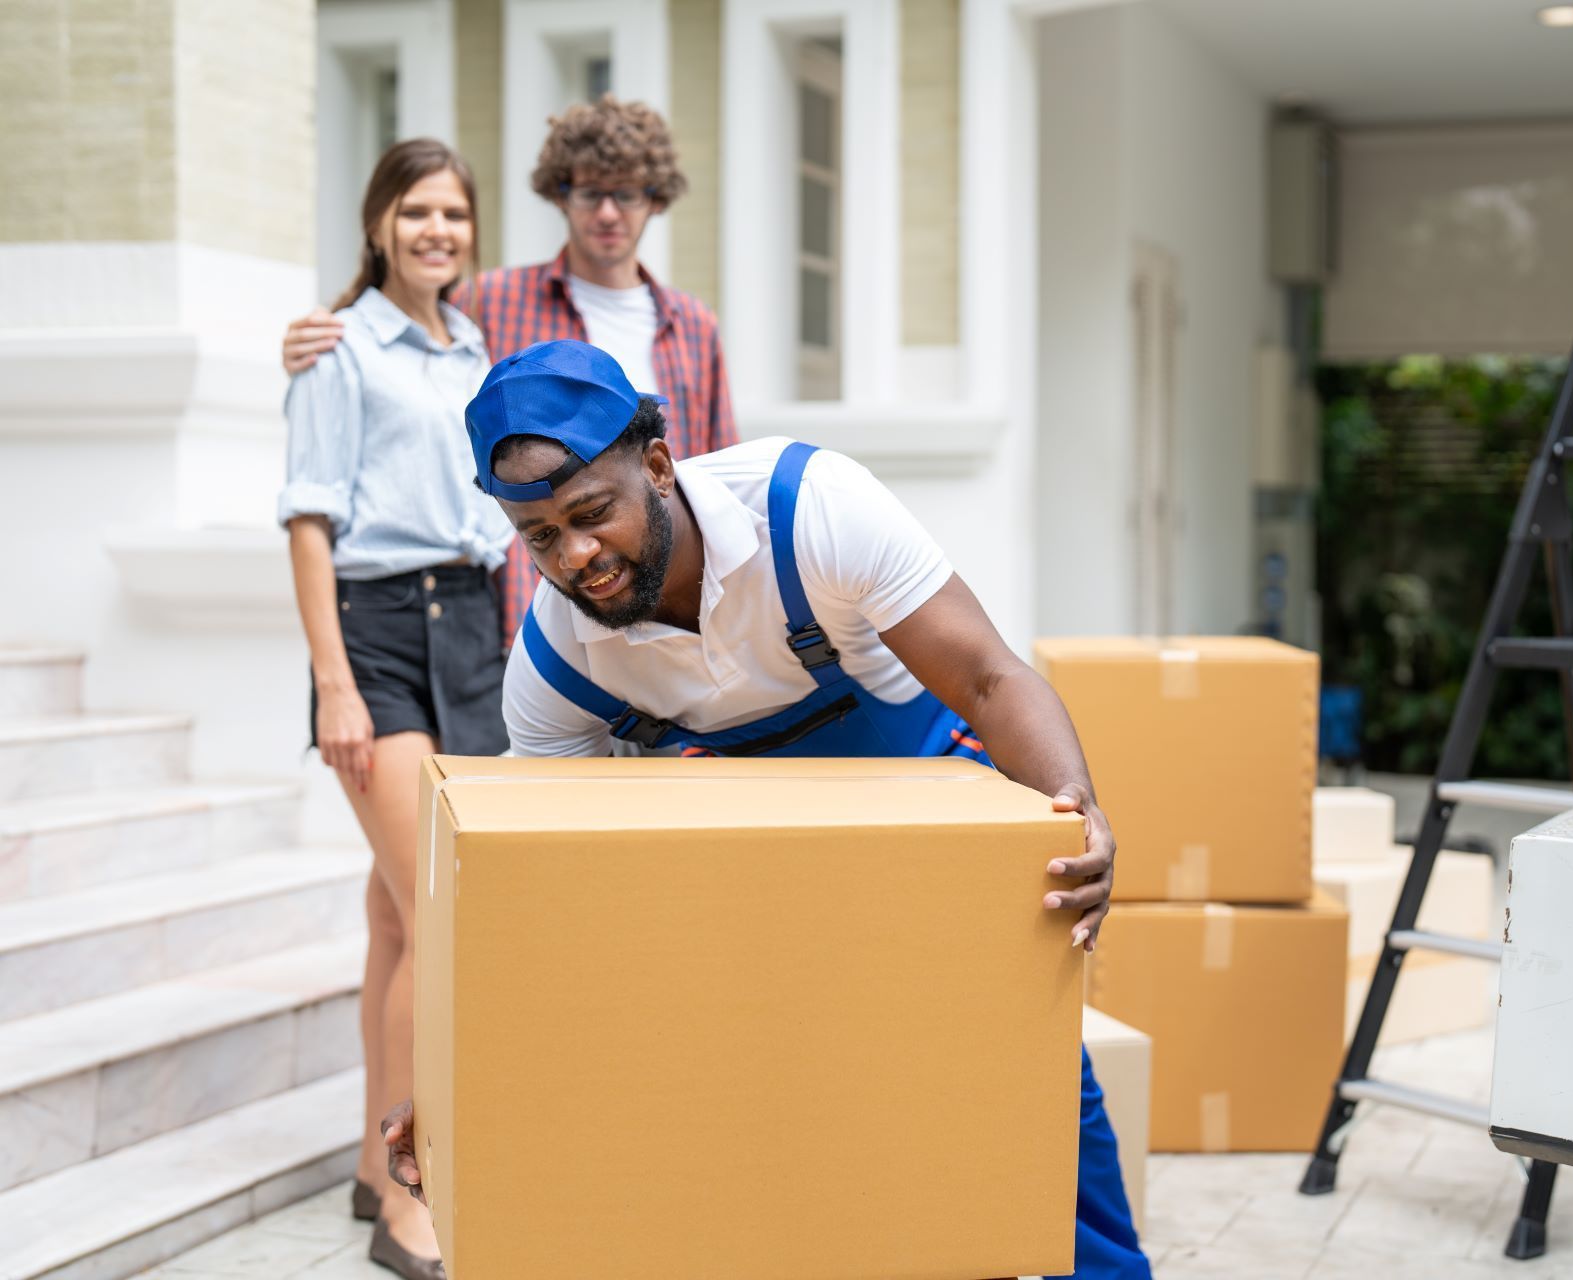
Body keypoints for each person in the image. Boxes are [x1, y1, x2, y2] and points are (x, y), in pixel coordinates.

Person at [379, 340, 1155, 1280]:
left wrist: (1078, 813)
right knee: (788, 1091)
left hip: (920, 821)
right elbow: (536, 902)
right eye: (540, 538)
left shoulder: (810, 507)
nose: (576, 556)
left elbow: (989, 678)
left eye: (592, 516)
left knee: (1021, 1073)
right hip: (754, 870)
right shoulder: (556, 665)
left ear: (658, 466)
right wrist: (462, 1090)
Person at [280, 138, 513, 1280]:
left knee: (393, 916)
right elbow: (309, 518)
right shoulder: (336, 350)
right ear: (378, 224)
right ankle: (412, 1197)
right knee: (440, 915)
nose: (437, 231)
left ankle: (376, 1160)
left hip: (470, 626)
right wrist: (332, 680)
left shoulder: (470, 345)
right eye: (416, 211)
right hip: (376, 628)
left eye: (454, 215)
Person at [280, 95, 736, 640]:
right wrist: (317, 334)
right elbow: (409, 334)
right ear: (560, 195)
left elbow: (716, 469)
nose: (609, 212)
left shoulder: (692, 324)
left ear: (655, 198)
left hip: (668, 600)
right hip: (536, 609)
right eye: (590, 192)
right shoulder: (488, 304)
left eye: (628, 193)